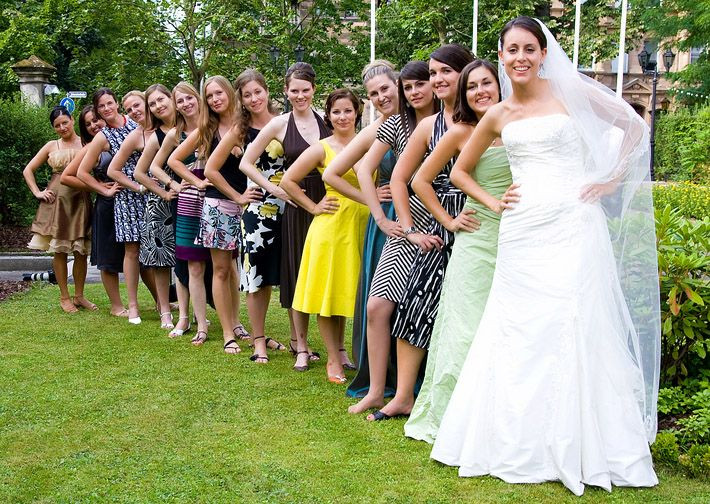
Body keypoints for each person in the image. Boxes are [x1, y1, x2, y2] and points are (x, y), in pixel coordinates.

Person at [430, 17, 660, 495]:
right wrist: (494, 203)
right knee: (518, 326)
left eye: (529, 49)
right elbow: (460, 174)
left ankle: (579, 441)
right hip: (522, 229)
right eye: (511, 49)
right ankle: (514, 438)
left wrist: (611, 178)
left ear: (543, 52)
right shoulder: (499, 114)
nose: (520, 58)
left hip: (574, 224)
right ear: (501, 53)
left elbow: (633, 126)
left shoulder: (571, 91)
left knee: (574, 320)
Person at [363, 45, 475, 421]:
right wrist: (395, 224)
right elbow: (398, 178)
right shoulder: (414, 126)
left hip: (473, 224)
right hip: (423, 225)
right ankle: (385, 391)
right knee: (394, 305)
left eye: (442, 74)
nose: (430, 84)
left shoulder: (484, 116)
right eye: (432, 73)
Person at [405, 59, 510, 442]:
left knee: (506, 327)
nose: (480, 91)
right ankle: (454, 417)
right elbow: (420, 181)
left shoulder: (518, 129)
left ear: (500, 86)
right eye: (472, 86)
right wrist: (449, 223)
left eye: (487, 83)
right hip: (477, 238)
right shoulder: (460, 132)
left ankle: (498, 415)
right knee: (465, 327)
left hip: (519, 238)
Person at [345, 60, 437, 414]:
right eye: (408, 88)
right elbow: (364, 170)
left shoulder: (452, 118)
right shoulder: (397, 124)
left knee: (421, 308)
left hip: (442, 222)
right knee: (377, 306)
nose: (414, 93)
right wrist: (381, 219)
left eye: (420, 85)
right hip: (405, 222)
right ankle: (376, 390)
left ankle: (410, 391)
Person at [240, 62, 331, 369]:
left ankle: (312, 344)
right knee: (279, 274)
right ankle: (280, 344)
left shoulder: (327, 121)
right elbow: (246, 163)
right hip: (282, 206)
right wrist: (274, 189)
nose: (300, 96)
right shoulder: (278, 124)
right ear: (286, 91)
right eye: (294, 91)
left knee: (313, 271)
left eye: (305, 90)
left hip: (319, 204)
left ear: (313, 90)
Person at [321, 60, 401, 395]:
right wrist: (370, 201)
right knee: (384, 301)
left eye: (385, 89)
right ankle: (384, 375)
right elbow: (331, 174)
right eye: (373, 94)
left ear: (399, 85)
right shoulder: (374, 131)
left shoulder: (425, 120)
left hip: (426, 211)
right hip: (388, 218)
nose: (381, 97)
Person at [280, 89, 369, 377]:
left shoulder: (368, 142)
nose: (342, 116)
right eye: (336, 111)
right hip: (332, 226)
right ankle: (332, 357)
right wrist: (313, 206)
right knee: (329, 292)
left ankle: (342, 350)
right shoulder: (322, 147)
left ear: (357, 112)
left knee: (346, 291)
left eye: (348, 110)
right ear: (328, 116)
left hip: (363, 224)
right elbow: (288, 180)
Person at [170, 75, 257, 353]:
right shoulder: (208, 128)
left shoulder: (247, 122)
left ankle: (237, 322)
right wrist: (197, 182)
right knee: (219, 269)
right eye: (209, 96)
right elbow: (173, 160)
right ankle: (228, 333)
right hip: (219, 204)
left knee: (236, 269)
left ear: (230, 93)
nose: (215, 99)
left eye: (219, 93)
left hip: (252, 203)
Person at [209, 70, 288, 363]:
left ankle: (297, 341)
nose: (254, 99)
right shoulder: (239, 131)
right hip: (258, 213)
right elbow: (211, 170)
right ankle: (258, 342)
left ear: (267, 92)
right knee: (257, 278)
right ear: (240, 99)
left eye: (258, 92)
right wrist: (239, 197)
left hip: (289, 207)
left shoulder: (286, 122)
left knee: (290, 274)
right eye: (247, 94)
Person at [151, 82, 210, 338]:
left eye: (189, 98)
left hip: (215, 199)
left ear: (197, 98)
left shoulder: (214, 126)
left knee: (222, 264)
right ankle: (185, 318)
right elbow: (155, 167)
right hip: (187, 202)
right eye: (180, 101)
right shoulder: (176, 133)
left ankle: (225, 319)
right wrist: (173, 184)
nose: (185, 104)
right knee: (186, 263)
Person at [22, 106, 93, 313]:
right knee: (60, 250)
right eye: (57, 125)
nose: (62, 127)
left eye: (65, 122)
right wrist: (37, 192)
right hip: (57, 202)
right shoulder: (51, 145)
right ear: (53, 128)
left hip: (80, 200)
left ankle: (79, 296)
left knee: (81, 251)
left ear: (72, 119)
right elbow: (28, 170)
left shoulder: (86, 142)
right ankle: (64, 297)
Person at [60, 104, 128, 317]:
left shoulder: (121, 135)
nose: (93, 126)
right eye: (87, 124)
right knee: (108, 258)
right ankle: (117, 306)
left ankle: (158, 302)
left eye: (95, 120)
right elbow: (67, 176)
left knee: (137, 254)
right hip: (107, 204)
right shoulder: (91, 147)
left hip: (130, 200)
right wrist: (99, 187)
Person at [134, 84, 181, 331]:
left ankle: (186, 310)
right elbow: (139, 173)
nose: (158, 106)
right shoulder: (157, 136)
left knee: (188, 259)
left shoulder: (191, 127)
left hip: (190, 200)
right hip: (161, 205)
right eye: (152, 104)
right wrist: (163, 191)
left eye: (161, 99)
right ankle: (164, 310)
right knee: (161, 262)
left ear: (172, 98)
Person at [106, 90, 153, 324]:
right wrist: (138, 187)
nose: (135, 111)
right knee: (132, 250)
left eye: (138, 106)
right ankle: (132, 305)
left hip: (161, 196)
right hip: (131, 198)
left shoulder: (167, 127)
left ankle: (167, 304)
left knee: (163, 250)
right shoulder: (133, 135)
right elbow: (112, 170)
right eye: (130, 109)